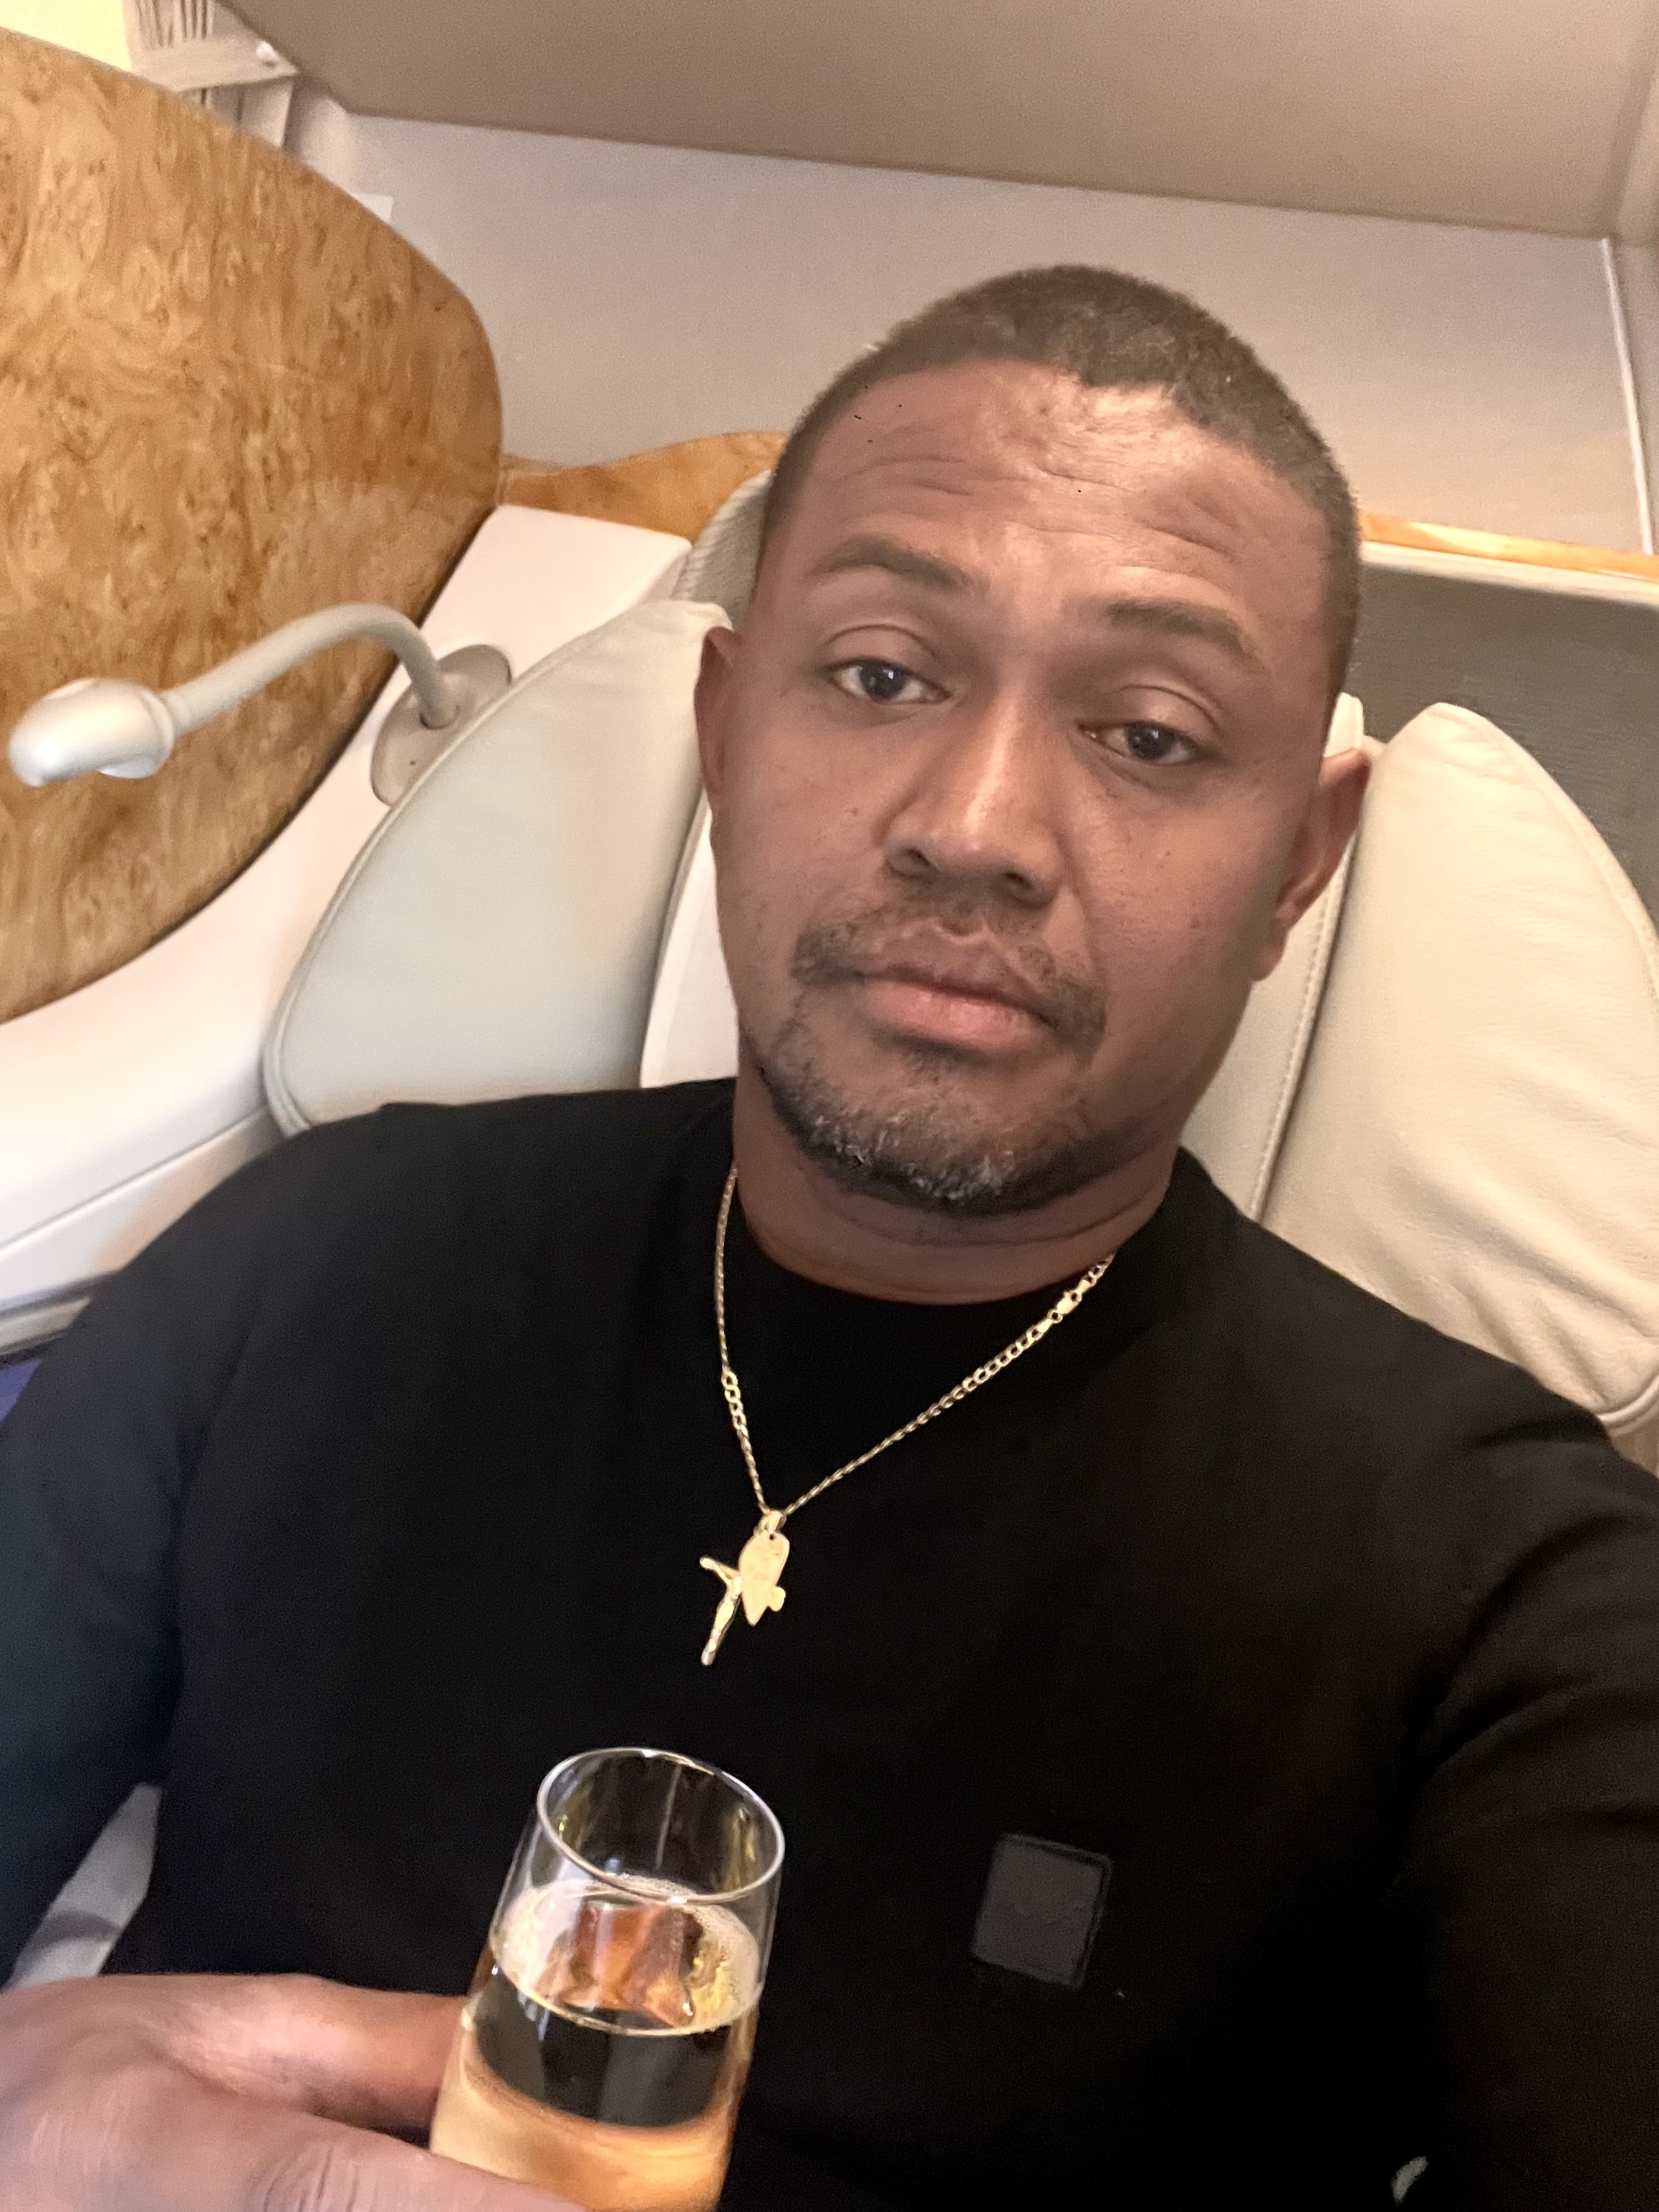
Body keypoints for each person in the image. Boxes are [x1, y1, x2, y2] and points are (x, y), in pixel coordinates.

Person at [1, 265, 1655, 2212]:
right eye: (879, 676)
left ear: (1299, 856)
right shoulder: (313, 1265)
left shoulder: (1505, 1588)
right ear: (722, 732)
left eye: (1148, 733)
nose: (976, 824)